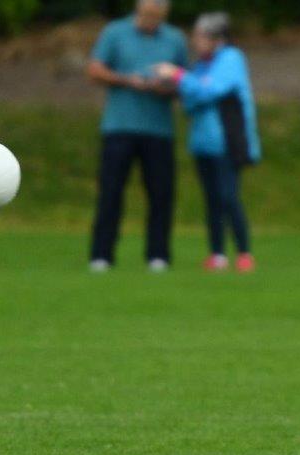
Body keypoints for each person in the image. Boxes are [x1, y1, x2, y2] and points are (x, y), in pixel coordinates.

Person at [155, 12, 260, 273]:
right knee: (211, 200)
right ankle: (217, 254)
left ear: (217, 39)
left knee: (228, 197)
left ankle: (244, 253)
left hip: (227, 141)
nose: (195, 42)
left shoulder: (231, 59)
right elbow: (193, 99)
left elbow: (210, 90)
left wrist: (179, 76)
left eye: (200, 37)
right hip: (203, 143)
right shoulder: (201, 66)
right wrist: (186, 84)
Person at [87, 0, 187, 272]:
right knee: (110, 192)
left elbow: (185, 81)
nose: (151, 21)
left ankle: (158, 255)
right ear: (138, 10)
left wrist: (165, 86)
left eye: (157, 17)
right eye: (147, 15)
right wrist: (127, 80)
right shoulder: (115, 32)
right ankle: (101, 255)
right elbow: (95, 70)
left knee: (161, 194)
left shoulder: (175, 39)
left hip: (159, 130)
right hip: (119, 127)